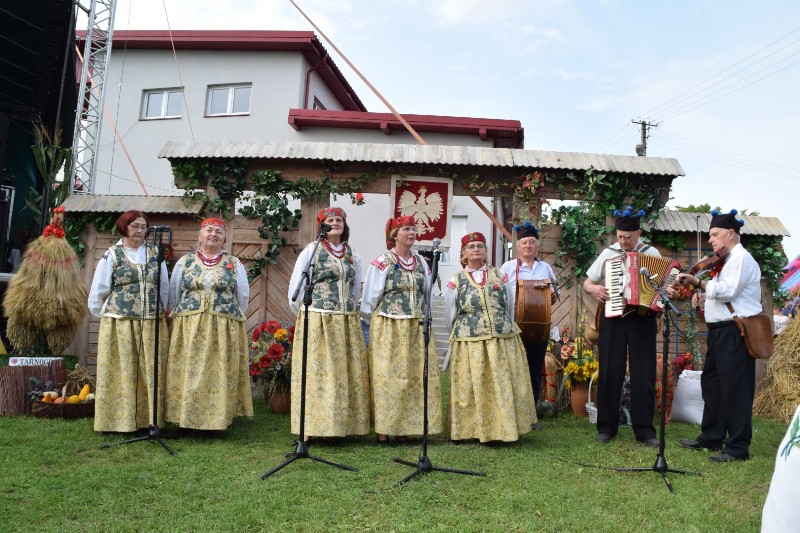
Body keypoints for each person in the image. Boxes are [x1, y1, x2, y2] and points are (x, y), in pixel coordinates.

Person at [671, 209, 761, 462]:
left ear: (731, 233)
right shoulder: (726, 261)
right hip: (719, 332)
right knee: (713, 386)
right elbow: (722, 293)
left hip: (735, 332)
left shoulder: (741, 258)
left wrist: (698, 283)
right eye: (710, 235)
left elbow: (729, 291)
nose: (710, 240)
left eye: (715, 234)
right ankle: (711, 437)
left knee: (735, 389)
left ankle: (737, 447)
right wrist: (703, 298)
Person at [443, 231, 537, 443]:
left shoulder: (500, 275)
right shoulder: (456, 280)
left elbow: (509, 304)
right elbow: (450, 312)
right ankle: (468, 430)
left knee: (501, 382)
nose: (476, 250)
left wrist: (503, 325)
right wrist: (460, 332)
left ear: (486, 251)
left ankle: (503, 429)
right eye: (471, 247)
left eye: (480, 246)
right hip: (470, 340)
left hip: (500, 338)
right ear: (463, 253)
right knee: (471, 385)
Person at [287, 207, 370, 441]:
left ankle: (339, 427)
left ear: (345, 225)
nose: (335, 223)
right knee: (319, 374)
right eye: (330, 220)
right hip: (319, 320)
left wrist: (350, 309)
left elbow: (354, 289)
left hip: (345, 321)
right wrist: (306, 314)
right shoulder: (311, 251)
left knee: (343, 374)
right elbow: (297, 286)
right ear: (322, 225)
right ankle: (312, 427)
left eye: (339, 220)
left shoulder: (353, 255)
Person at [582, 207, 660, 447]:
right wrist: (594, 289)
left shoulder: (651, 253)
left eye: (627, 237)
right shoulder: (609, 253)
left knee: (643, 372)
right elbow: (587, 282)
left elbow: (662, 284)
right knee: (609, 369)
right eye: (620, 236)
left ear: (638, 234)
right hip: (614, 316)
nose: (623, 241)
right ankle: (606, 427)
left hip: (642, 318)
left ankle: (644, 430)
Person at [360, 216, 442, 444]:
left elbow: (427, 292)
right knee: (388, 376)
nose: (412, 232)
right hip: (390, 325)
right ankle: (384, 430)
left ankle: (406, 428)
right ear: (394, 235)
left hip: (416, 326)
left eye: (414, 229)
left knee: (414, 376)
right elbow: (369, 299)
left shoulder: (421, 262)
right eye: (406, 229)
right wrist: (374, 324)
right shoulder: (382, 262)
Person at [165, 218, 253, 431]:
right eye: (209, 230)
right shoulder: (185, 262)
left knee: (218, 370)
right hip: (190, 326)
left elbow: (242, 296)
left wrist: (226, 314)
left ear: (224, 239)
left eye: (219, 232)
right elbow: (175, 294)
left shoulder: (234, 263)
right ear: (200, 235)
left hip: (223, 327)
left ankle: (218, 418)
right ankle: (187, 416)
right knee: (191, 369)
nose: (213, 234)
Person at [88, 210, 169, 433]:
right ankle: (116, 421)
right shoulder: (112, 255)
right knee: (121, 369)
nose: (140, 230)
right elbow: (99, 288)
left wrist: (160, 309)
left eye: (143, 226)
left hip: (151, 321)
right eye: (135, 226)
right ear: (124, 227)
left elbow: (163, 285)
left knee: (149, 370)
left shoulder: (155, 253)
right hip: (120, 321)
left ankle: (148, 420)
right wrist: (106, 314)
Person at [500, 221, 558, 414]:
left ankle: (530, 413)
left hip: (538, 328)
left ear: (537, 246)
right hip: (513, 326)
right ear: (518, 246)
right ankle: (511, 411)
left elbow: (554, 294)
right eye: (524, 242)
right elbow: (498, 294)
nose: (528, 246)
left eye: (532, 242)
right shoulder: (507, 268)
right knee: (512, 368)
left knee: (534, 369)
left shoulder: (545, 268)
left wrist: (551, 297)